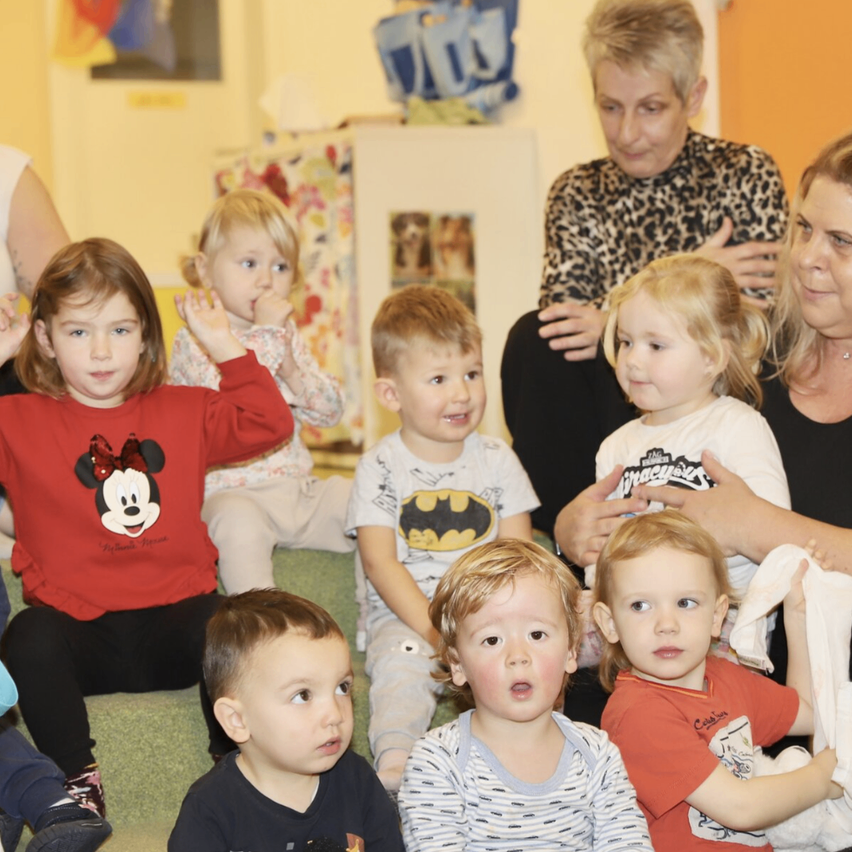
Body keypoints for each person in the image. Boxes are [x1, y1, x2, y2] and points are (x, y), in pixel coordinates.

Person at [0, 238, 293, 816]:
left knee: (226, 622)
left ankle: (234, 771)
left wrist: (223, 345)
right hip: (75, 639)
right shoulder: (17, 420)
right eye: (78, 331)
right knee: (27, 636)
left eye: (120, 329)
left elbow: (269, 422)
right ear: (46, 339)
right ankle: (76, 783)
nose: (101, 350)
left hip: (174, 629)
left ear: (145, 335)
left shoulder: (184, 407)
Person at [501, 0, 788, 535]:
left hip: (710, 399)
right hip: (612, 399)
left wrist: (614, 317)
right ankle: (575, 527)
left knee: (663, 351)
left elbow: (754, 323)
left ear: (693, 97)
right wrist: (693, 270)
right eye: (610, 107)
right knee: (534, 339)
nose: (628, 131)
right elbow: (566, 326)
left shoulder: (744, 172)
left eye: (650, 108)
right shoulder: (576, 191)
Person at [576, 130, 852, 687]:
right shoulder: (750, 355)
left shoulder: (735, 405)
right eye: (803, 229)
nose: (807, 258)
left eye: (842, 241)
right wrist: (570, 529)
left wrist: (754, 525)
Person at [346, 284, 539, 792]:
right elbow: (381, 563)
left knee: (529, 654)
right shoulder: (380, 467)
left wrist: (498, 622)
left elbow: (518, 555)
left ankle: (528, 760)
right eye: (439, 378)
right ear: (391, 395)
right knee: (404, 666)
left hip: (490, 609)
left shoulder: (497, 459)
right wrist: (437, 633)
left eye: (471, 373)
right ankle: (397, 762)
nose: (462, 393)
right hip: (411, 617)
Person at [578, 254, 789, 667]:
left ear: (711, 357)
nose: (632, 359)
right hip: (630, 615)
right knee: (539, 629)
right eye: (626, 342)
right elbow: (600, 552)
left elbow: (773, 538)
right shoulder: (615, 446)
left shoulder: (737, 425)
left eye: (655, 345)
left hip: (718, 620)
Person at [592, 510, 842, 852]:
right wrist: (825, 777)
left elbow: (810, 713)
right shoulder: (636, 714)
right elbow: (740, 808)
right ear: (609, 623)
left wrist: (797, 616)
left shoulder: (726, 678)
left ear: (717, 616)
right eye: (640, 605)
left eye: (685, 602)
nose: (666, 624)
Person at [399, 538, 653, 852]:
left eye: (536, 634)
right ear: (457, 664)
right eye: (492, 640)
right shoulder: (438, 760)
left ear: (571, 652)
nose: (518, 656)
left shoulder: (597, 753)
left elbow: (628, 844)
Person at [170, 188, 354, 594]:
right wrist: (269, 333)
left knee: (364, 498)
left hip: (297, 489)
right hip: (232, 493)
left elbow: (331, 412)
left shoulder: (287, 334)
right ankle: (263, 617)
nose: (266, 280)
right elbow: (240, 404)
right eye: (249, 263)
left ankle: (378, 610)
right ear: (205, 270)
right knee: (236, 524)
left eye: (281, 266)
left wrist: (293, 370)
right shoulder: (195, 339)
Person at [168, 589, 404, 852]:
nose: (335, 715)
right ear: (237, 720)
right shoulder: (209, 810)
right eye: (303, 695)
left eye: (342, 687)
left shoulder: (358, 780)